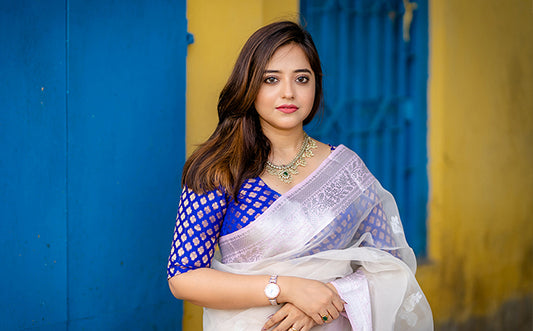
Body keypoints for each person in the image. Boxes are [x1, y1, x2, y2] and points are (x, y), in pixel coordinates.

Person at [167, 21, 433, 331]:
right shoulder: (220, 168)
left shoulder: (346, 170)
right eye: (271, 79)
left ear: (316, 85)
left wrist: (328, 297)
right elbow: (184, 277)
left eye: (302, 79)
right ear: (249, 85)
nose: (288, 92)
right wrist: (285, 288)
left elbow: (391, 265)